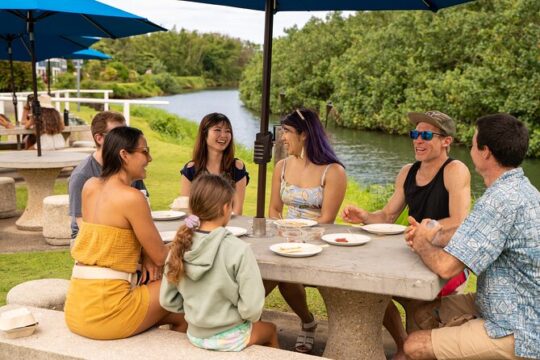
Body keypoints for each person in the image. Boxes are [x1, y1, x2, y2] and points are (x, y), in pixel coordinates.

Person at [403, 113, 539, 360]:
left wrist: (422, 241)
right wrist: (433, 233)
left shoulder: (500, 201)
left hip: (519, 327)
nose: (471, 147)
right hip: (504, 301)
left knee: (414, 345)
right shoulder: (519, 189)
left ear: (485, 152)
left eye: (474, 142)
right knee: (420, 311)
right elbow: (474, 235)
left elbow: (446, 268)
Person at [341, 111, 471, 359]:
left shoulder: (455, 170)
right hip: (412, 255)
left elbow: (459, 222)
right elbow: (388, 215)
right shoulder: (407, 172)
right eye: (415, 134)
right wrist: (366, 216)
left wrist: (426, 229)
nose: (418, 140)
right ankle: (404, 345)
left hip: (447, 262)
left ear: (446, 141)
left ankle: (416, 349)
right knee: (370, 291)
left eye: (425, 135)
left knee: (418, 302)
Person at [64, 126, 187, 340]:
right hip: (107, 312)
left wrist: (143, 254)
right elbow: (161, 257)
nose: (150, 158)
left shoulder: (90, 186)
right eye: (145, 151)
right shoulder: (131, 197)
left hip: (77, 307)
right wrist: (189, 240)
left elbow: (104, 236)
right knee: (184, 285)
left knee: (180, 315)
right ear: (124, 155)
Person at [160, 174, 278, 351]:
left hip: (195, 334)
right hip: (231, 335)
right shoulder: (238, 249)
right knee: (271, 331)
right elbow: (252, 310)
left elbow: (167, 300)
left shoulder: (179, 246)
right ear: (225, 208)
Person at [267, 108, 347, 353]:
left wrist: (300, 237)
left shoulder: (333, 171)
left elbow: (326, 219)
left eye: (287, 132)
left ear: (304, 134)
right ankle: (306, 322)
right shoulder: (281, 166)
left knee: (294, 280)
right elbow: (274, 209)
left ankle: (331, 329)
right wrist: (284, 232)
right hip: (284, 238)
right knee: (268, 275)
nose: (282, 137)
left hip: (318, 241)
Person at [68, 111, 148, 239]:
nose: (125, 138)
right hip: (87, 240)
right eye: (117, 133)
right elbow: (82, 223)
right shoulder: (82, 175)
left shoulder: (129, 167)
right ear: (99, 138)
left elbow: (144, 203)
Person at [180, 113, 248, 215]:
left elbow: (237, 211)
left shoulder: (237, 167)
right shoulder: (190, 169)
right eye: (217, 130)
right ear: (204, 134)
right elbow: (187, 209)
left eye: (227, 131)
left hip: (230, 226)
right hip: (199, 227)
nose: (224, 135)